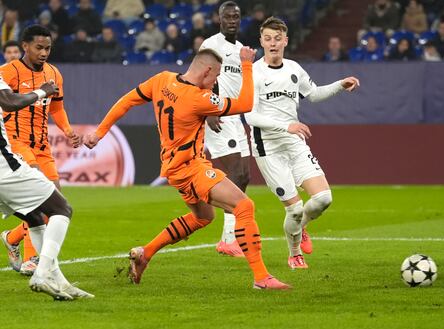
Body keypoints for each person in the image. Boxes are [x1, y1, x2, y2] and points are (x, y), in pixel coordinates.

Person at [82, 47, 290, 290]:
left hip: (175, 168)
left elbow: (126, 101)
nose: (215, 84)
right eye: (216, 77)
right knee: (244, 205)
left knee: (204, 217)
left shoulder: (162, 80)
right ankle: (262, 278)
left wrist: (99, 133)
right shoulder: (199, 98)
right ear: (207, 71)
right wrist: (246, 64)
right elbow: (245, 103)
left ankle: (145, 253)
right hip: (191, 168)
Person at [244, 17, 360, 269]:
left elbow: (314, 94)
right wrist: (286, 126)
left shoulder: (294, 69)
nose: (273, 43)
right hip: (268, 148)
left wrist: (340, 84)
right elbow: (249, 115)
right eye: (268, 38)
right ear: (261, 41)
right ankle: (294, 252)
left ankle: (302, 227)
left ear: (285, 41)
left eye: (277, 38)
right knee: (295, 209)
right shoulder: (253, 72)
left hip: (294, 143)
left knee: (323, 199)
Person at [0, 75, 93, 300]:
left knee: (34, 216)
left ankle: (58, 280)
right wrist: (42, 92)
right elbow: (9, 102)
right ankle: (41, 274)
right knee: (61, 208)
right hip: (5, 168)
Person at [0, 25, 81, 275]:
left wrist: (67, 130)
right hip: (16, 142)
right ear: (25, 46)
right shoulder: (9, 70)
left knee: (55, 203)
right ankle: (31, 259)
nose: (44, 52)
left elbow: (56, 108)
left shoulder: (54, 74)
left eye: (48, 48)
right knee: (40, 199)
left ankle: (12, 238)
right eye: (39, 47)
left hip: (42, 146)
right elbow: (7, 102)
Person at [198, 2, 251, 257]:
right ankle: (230, 239)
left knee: (244, 177)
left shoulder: (242, 50)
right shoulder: (211, 44)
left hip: (236, 118)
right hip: (217, 114)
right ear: (219, 19)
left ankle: (229, 238)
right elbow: (199, 76)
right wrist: (208, 110)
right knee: (235, 173)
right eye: (227, 16)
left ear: (240, 20)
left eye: (236, 17)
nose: (232, 20)